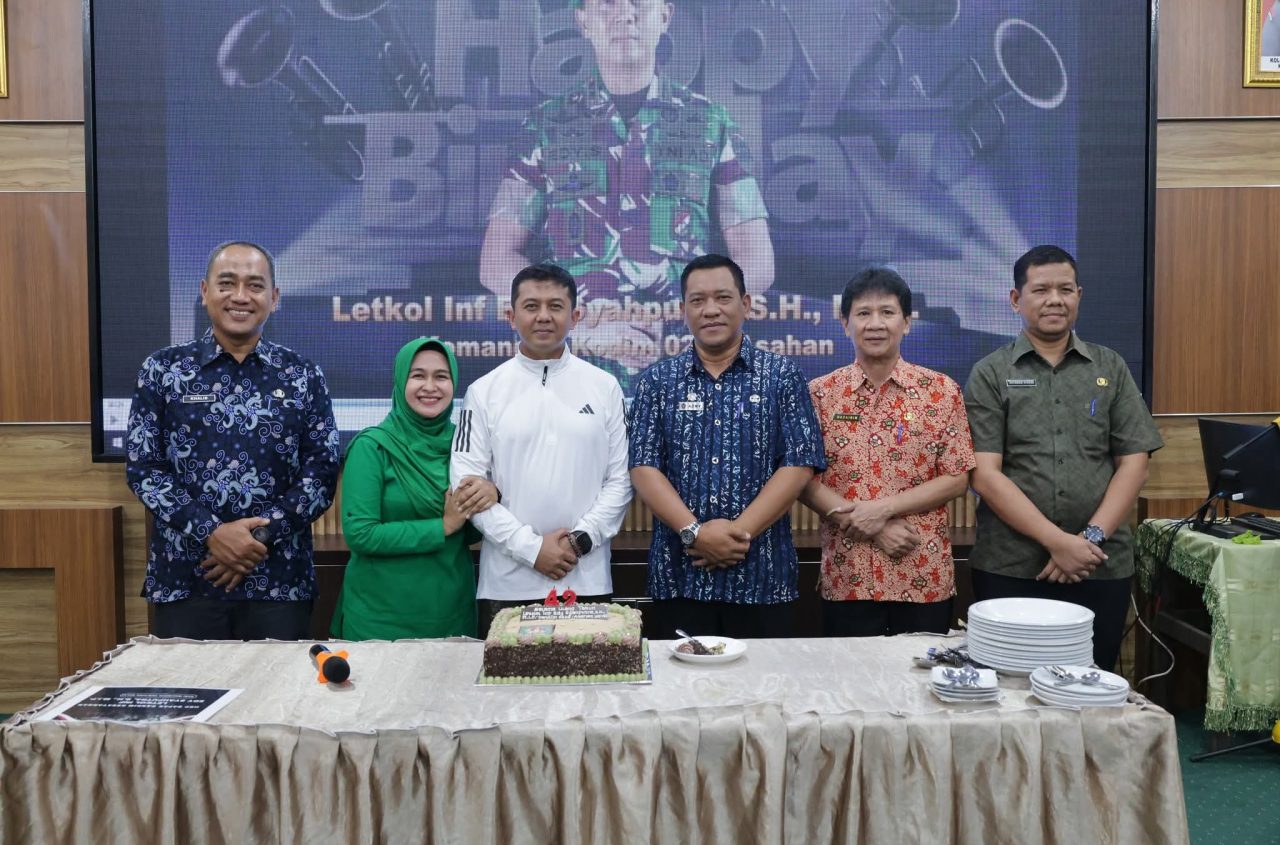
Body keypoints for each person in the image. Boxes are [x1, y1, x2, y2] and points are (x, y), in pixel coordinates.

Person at [479, 0, 772, 375]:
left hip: (687, 368)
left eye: (638, 1)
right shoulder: (545, 126)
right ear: (583, 20)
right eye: (607, 2)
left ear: (664, 16)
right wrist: (578, 324)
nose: (625, 13)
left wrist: (697, 322)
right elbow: (496, 260)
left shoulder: (711, 123)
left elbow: (757, 259)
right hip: (572, 371)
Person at [126, 241, 340, 640]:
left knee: (280, 684)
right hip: (187, 581)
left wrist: (256, 539)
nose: (241, 296)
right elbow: (145, 470)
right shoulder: (162, 370)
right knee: (186, 683)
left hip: (279, 582)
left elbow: (321, 473)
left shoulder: (303, 375)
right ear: (205, 291)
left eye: (255, 286)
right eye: (227, 283)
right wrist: (213, 532)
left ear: (274, 298)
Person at [964, 244, 1163, 671]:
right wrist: (1058, 542)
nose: (1054, 299)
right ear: (1016, 299)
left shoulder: (1110, 367)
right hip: (1011, 565)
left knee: (1091, 684)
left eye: (1065, 289)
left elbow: (1135, 462)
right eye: (1041, 290)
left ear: (1078, 295)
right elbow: (985, 475)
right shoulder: (991, 372)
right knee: (1009, 687)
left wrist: (1087, 540)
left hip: (1098, 564)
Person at [628, 254, 826, 638]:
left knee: (765, 679)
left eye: (723, 297)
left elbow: (799, 464)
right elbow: (643, 466)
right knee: (681, 678)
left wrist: (737, 535)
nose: (711, 310)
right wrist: (695, 533)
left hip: (763, 578)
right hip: (680, 577)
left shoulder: (782, 376)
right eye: (698, 300)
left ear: (746, 304)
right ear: (683, 310)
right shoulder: (657, 382)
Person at [450, 264, 632, 626]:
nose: (544, 316)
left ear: (575, 317)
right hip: (506, 585)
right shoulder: (483, 392)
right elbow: (465, 486)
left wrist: (579, 541)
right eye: (532, 306)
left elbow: (622, 480)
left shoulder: (605, 386)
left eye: (556, 306)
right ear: (511, 316)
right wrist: (533, 550)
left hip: (586, 577)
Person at [801, 268, 975, 636]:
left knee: (921, 674)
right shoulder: (819, 394)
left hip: (922, 572)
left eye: (887, 312)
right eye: (863, 313)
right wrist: (875, 528)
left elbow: (956, 478)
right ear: (845, 323)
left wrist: (881, 511)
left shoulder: (941, 391)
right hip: (848, 575)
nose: (875, 324)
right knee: (849, 674)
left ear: (907, 322)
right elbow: (804, 481)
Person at [331, 338, 500, 640]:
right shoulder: (373, 446)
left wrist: (491, 496)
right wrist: (442, 526)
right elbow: (361, 534)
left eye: (441, 377)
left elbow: (472, 532)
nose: (430, 387)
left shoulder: (465, 446)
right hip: (379, 617)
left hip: (450, 610)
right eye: (418, 375)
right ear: (400, 381)